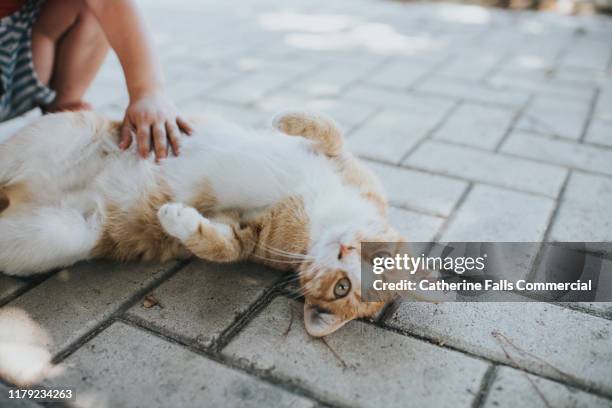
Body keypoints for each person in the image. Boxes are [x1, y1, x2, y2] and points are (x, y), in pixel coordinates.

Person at [0, 0, 192, 161]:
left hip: (23, 57)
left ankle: (64, 110)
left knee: (92, 6)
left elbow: (109, 5)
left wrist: (147, 91)